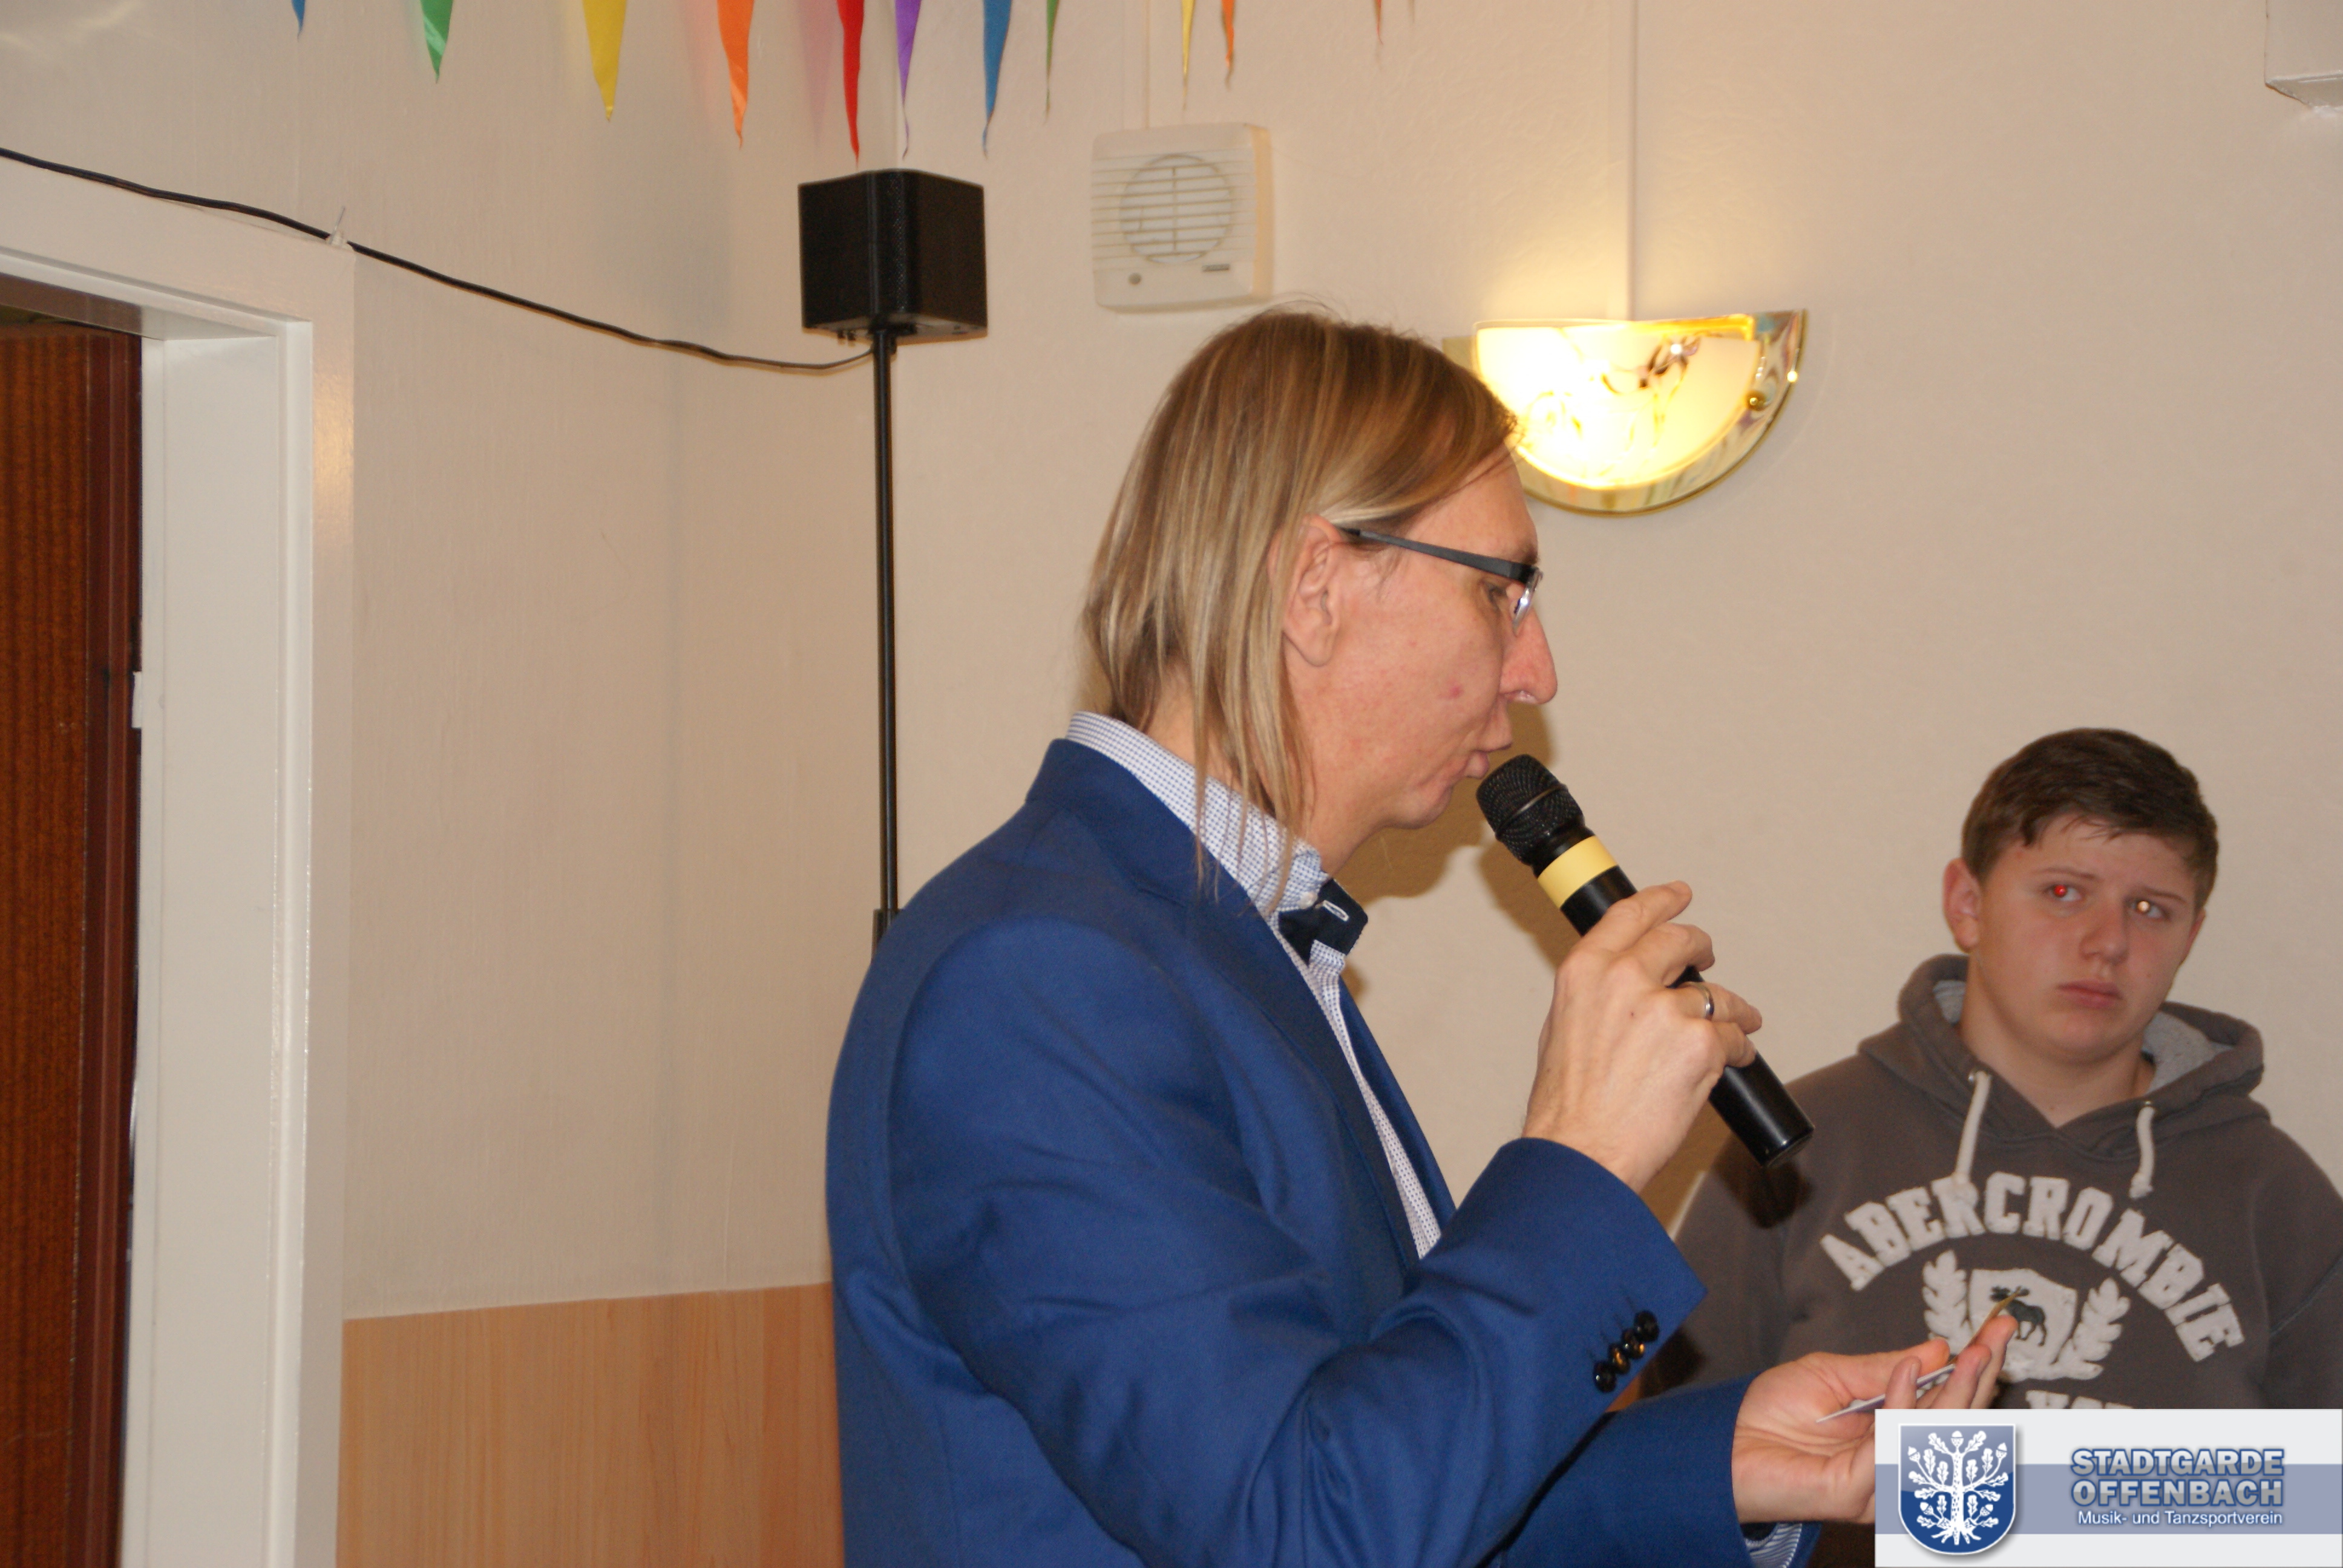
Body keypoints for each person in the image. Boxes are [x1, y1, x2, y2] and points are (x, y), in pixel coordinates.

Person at [824, 309, 2010, 1568]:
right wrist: (1581, 1155)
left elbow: (1382, 1471)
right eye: (1502, 591)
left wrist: (1724, 1470)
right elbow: (1308, 1530)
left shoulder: (1227, 943)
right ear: (1317, 586)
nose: (1536, 668)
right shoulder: (1041, 980)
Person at [1657, 728, 2343, 1417]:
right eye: (2062, 892)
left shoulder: (2276, 1198)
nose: (2108, 942)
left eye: (2149, 909)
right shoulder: (1799, 1145)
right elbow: (1668, 1455)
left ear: (2189, 937)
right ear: (1968, 904)